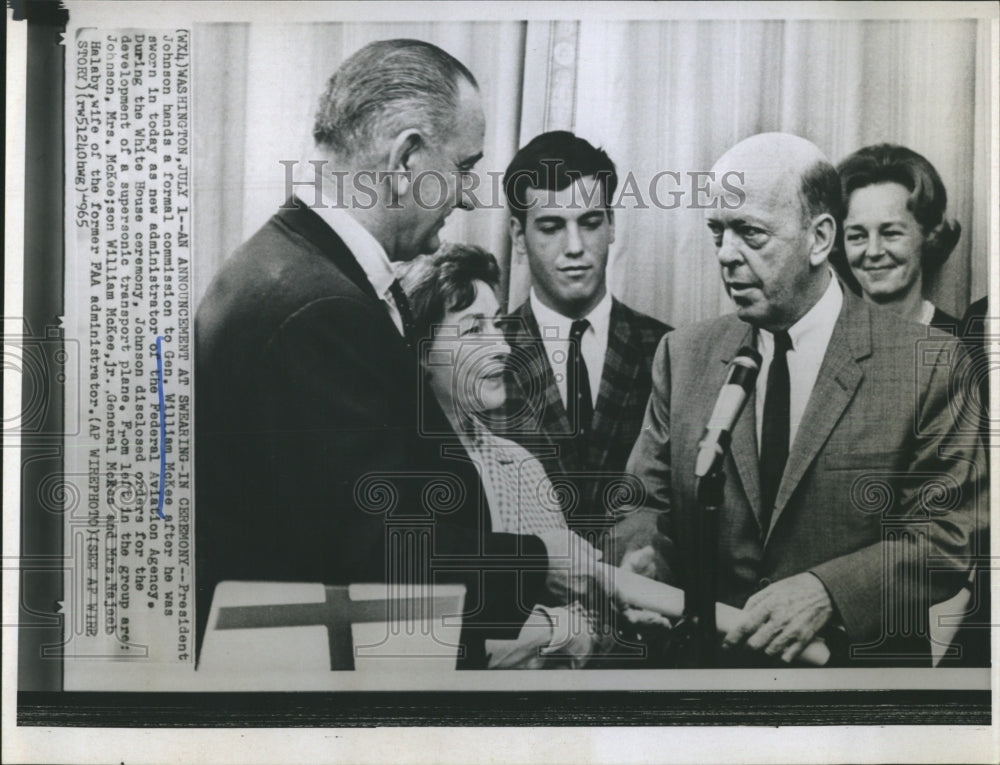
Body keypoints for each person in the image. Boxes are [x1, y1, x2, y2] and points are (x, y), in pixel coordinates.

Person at [195, 39, 601, 668]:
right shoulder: (320, 308)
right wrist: (541, 563)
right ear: (408, 158)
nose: (470, 197)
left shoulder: (288, 268)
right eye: (465, 167)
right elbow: (373, 556)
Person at [615, 132, 986, 666]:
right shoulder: (684, 356)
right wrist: (641, 560)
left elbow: (947, 537)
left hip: (856, 691)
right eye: (717, 231)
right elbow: (643, 503)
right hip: (708, 682)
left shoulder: (930, 362)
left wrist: (828, 592)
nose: (726, 254)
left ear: (820, 239)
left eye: (750, 233)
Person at [397, 244, 620, 668]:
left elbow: (590, 615)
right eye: (473, 329)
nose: (501, 346)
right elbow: (419, 635)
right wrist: (556, 631)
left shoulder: (520, 466)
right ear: (420, 352)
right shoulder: (397, 468)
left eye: (497, 325)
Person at [499, 131, 670, 547]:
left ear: (611, 225)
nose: (575, 247)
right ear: (519, 236)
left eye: (590, 223)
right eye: (551, 227)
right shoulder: (483, 353)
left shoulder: (669, 351)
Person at [837, 143, 962, 331]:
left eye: (891, 233)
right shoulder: (821, 340)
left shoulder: (965, 341)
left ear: (929, 234)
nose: (873, 251)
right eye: (857, 236)